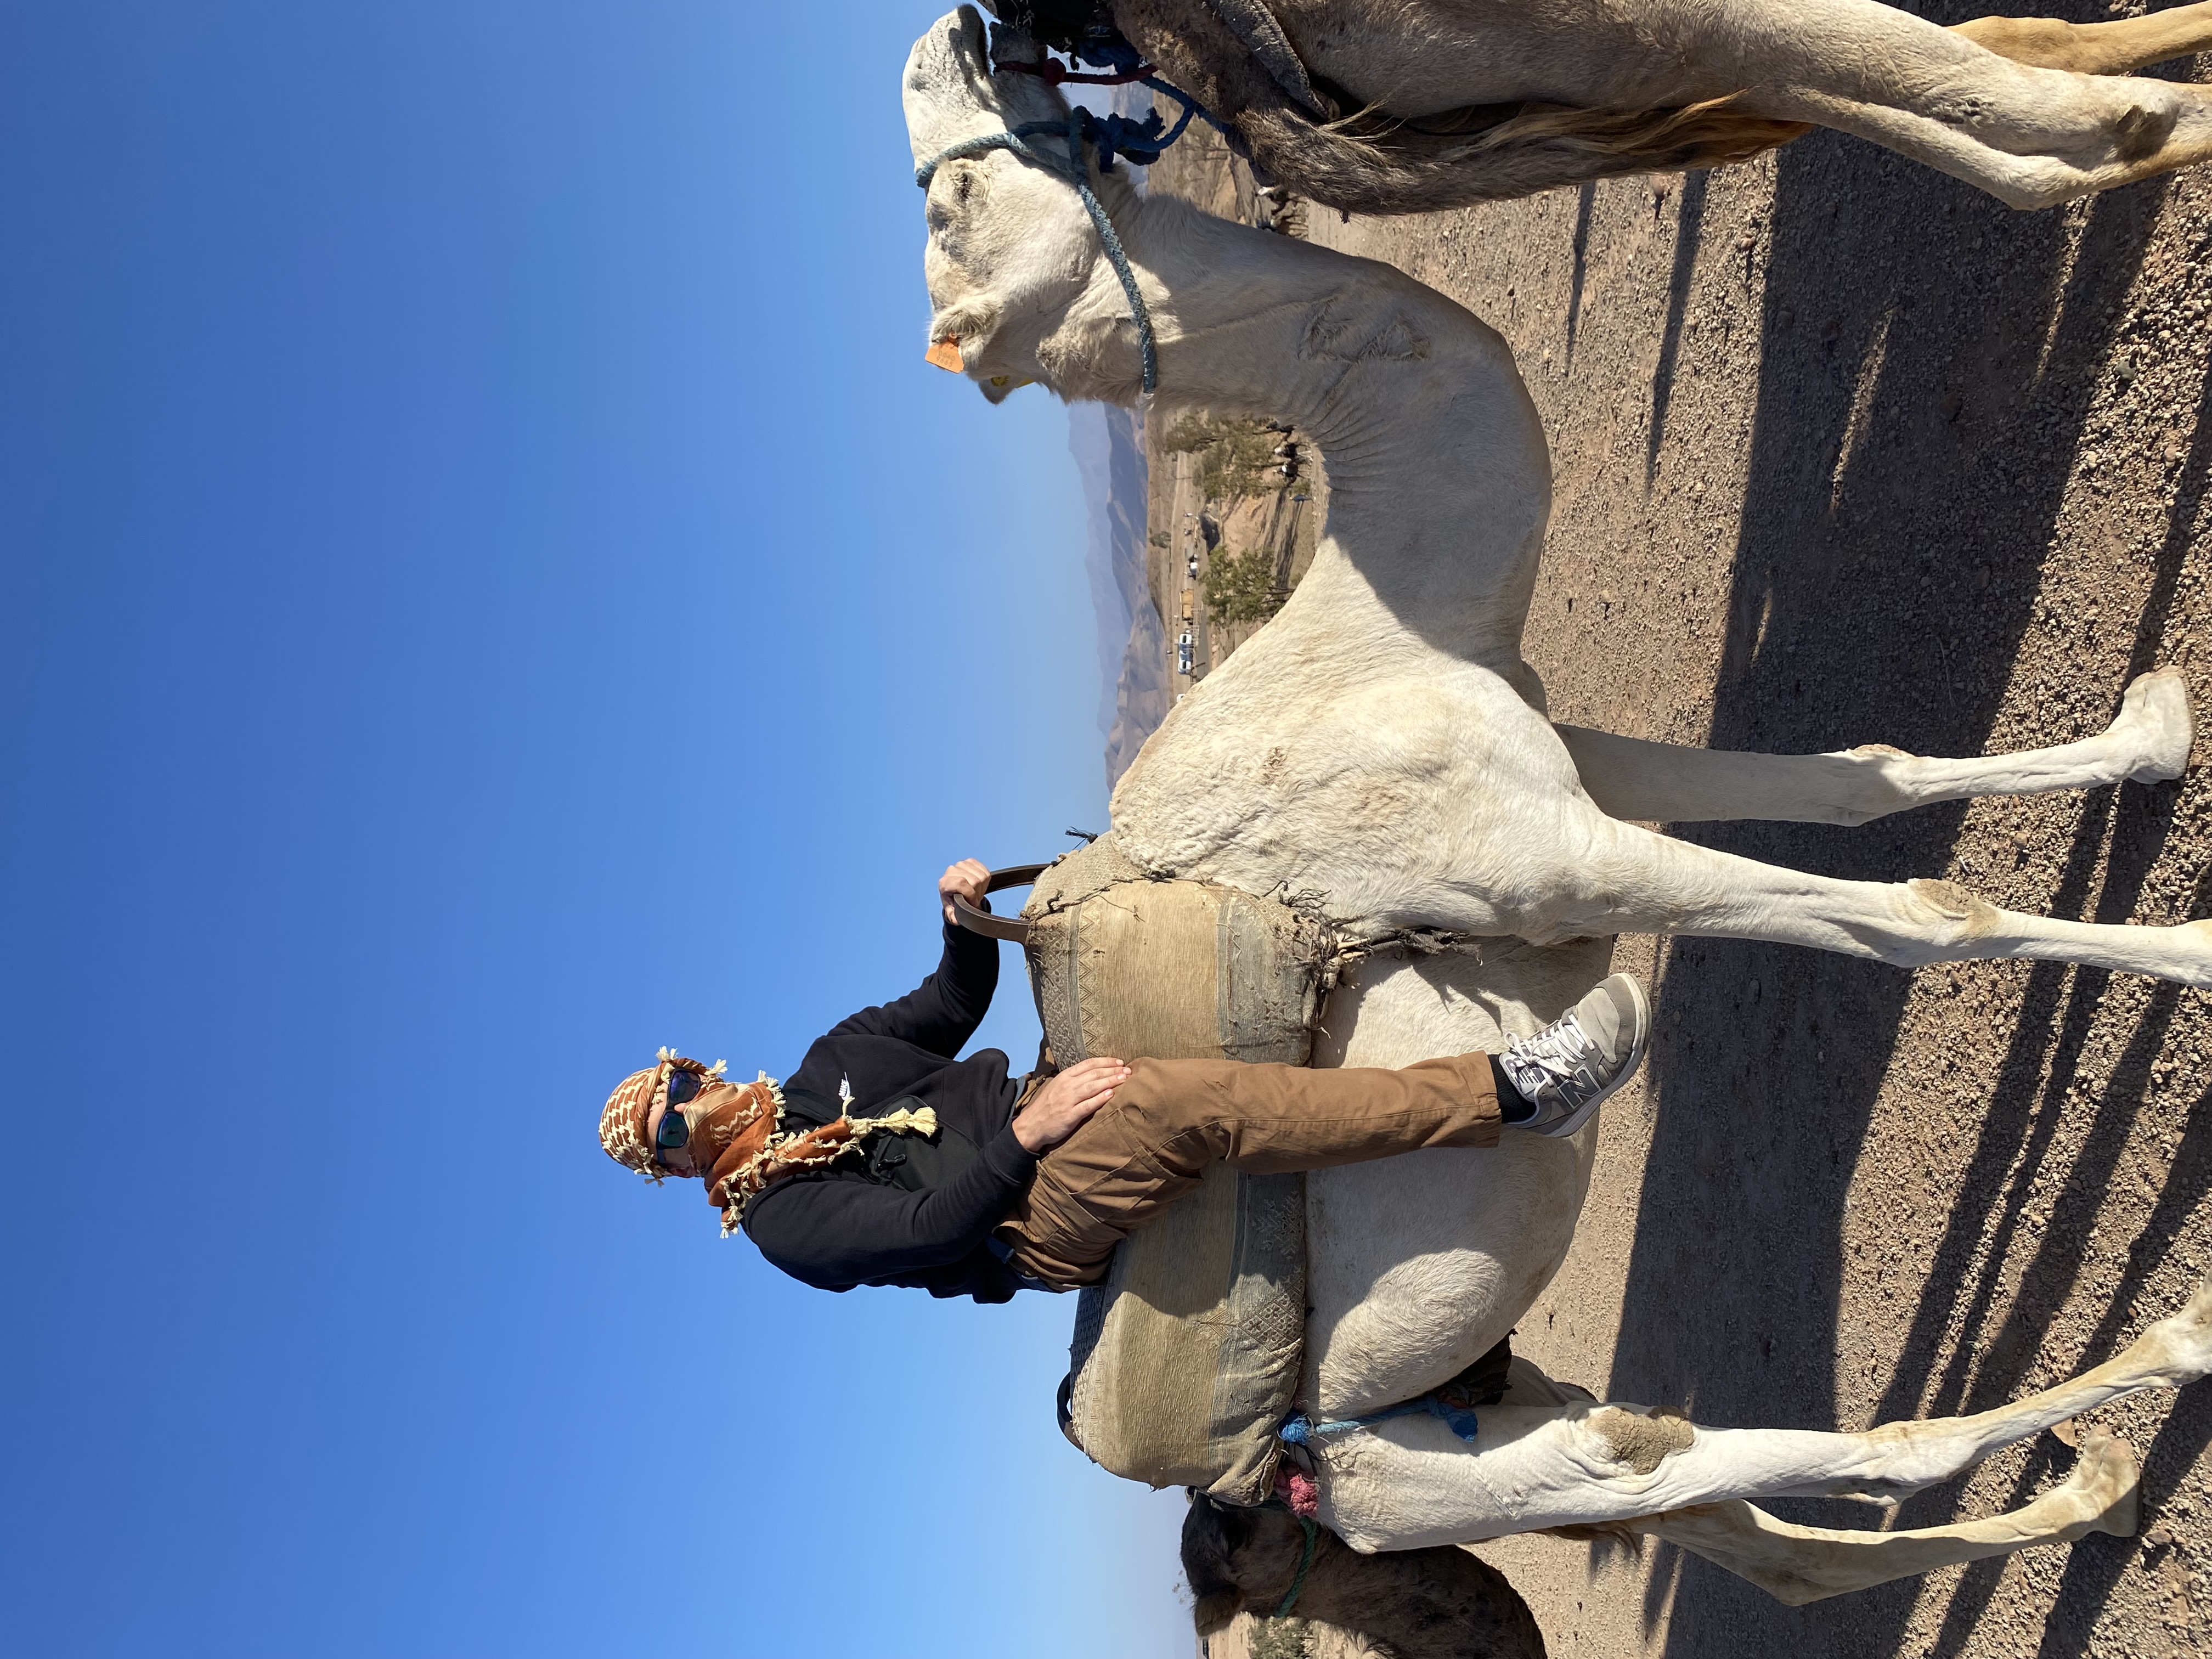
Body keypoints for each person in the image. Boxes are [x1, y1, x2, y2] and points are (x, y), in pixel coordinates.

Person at [597, 859, 1651, 1304]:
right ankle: (1518, 1094)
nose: (692, 1101)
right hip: (1027, 1223)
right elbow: (930, 1234)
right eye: (673, 1124)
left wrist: (961, 922)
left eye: (679, 1081)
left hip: (1032, 1111)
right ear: (680, 1165)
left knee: (1109, 910)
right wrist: (1032, 1133)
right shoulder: (784, 1223)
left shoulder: (829, 1063)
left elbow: (950, 1007)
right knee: (1172, 1105)